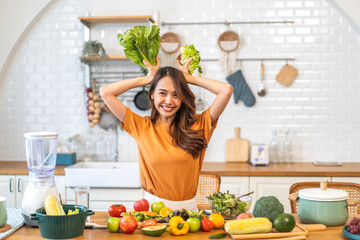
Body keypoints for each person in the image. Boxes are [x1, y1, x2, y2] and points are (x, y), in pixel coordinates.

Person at [100, 56, 233, 211]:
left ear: (183, 98)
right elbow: (106, 92)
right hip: (152, 213)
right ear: (152, 94)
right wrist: (148, 79)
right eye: (162, 93)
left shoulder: (199, 125)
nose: (169, 101)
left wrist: (189, 79)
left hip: (188, 214)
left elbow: (226, 90)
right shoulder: (141, 126)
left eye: (176, 94)